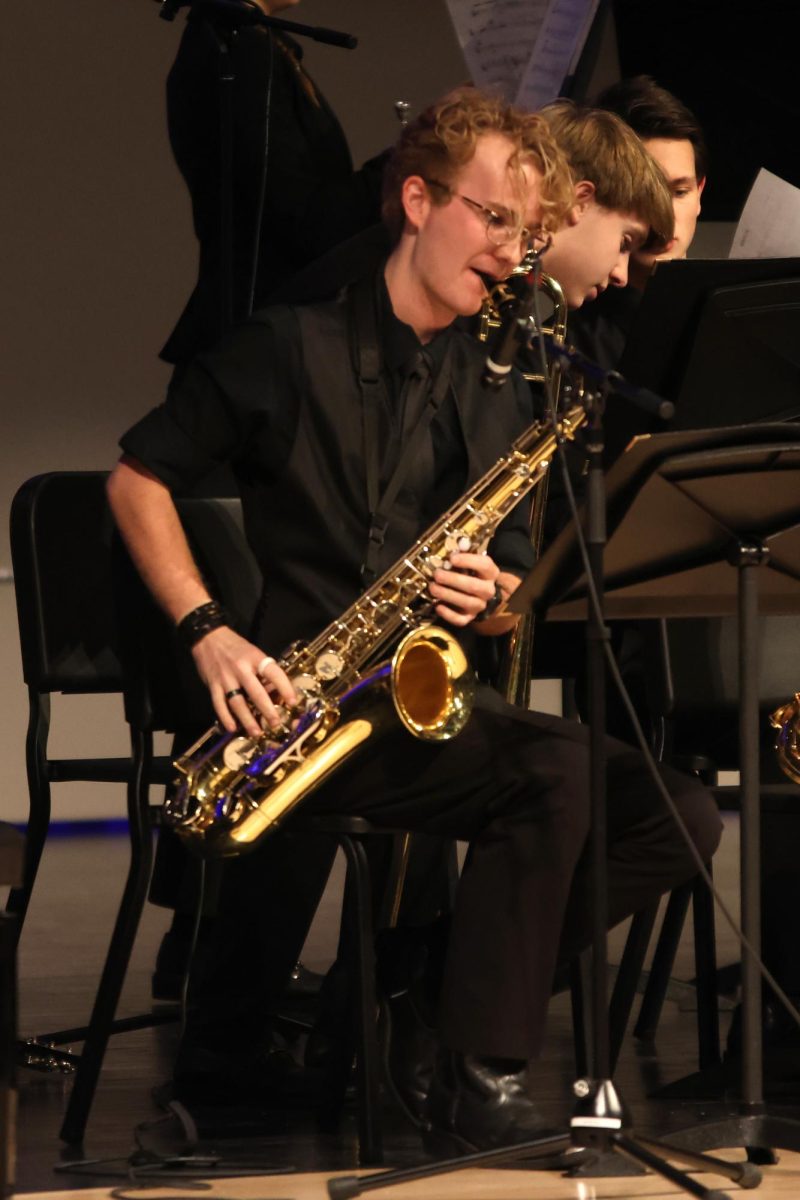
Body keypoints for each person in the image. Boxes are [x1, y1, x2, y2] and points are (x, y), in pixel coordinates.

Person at [107, 85, 721, 1154]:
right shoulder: (288, 345)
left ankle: (423, 993)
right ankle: (476, 1071)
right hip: (297, 709)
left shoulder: (496, 378)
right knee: (558, 777)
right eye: (490, 221)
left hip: (409, 705)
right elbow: (137, 477)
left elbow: (513, 570)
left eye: (522, 232)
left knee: (676, 814)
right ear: (416, 200)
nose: (506, 252)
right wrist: (206, 626)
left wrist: (492, 596)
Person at [161, 0, 387, 366]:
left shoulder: (257, 44)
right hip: (261, 349)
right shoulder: (239, 49)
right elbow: (306, 224)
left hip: (282, 333)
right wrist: (411, 158)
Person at [568, 76, 707, 370]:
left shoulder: (732, 313)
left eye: (679, 192)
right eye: (646, 195)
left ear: (700, 193)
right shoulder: (562, 348)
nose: (664, 216)